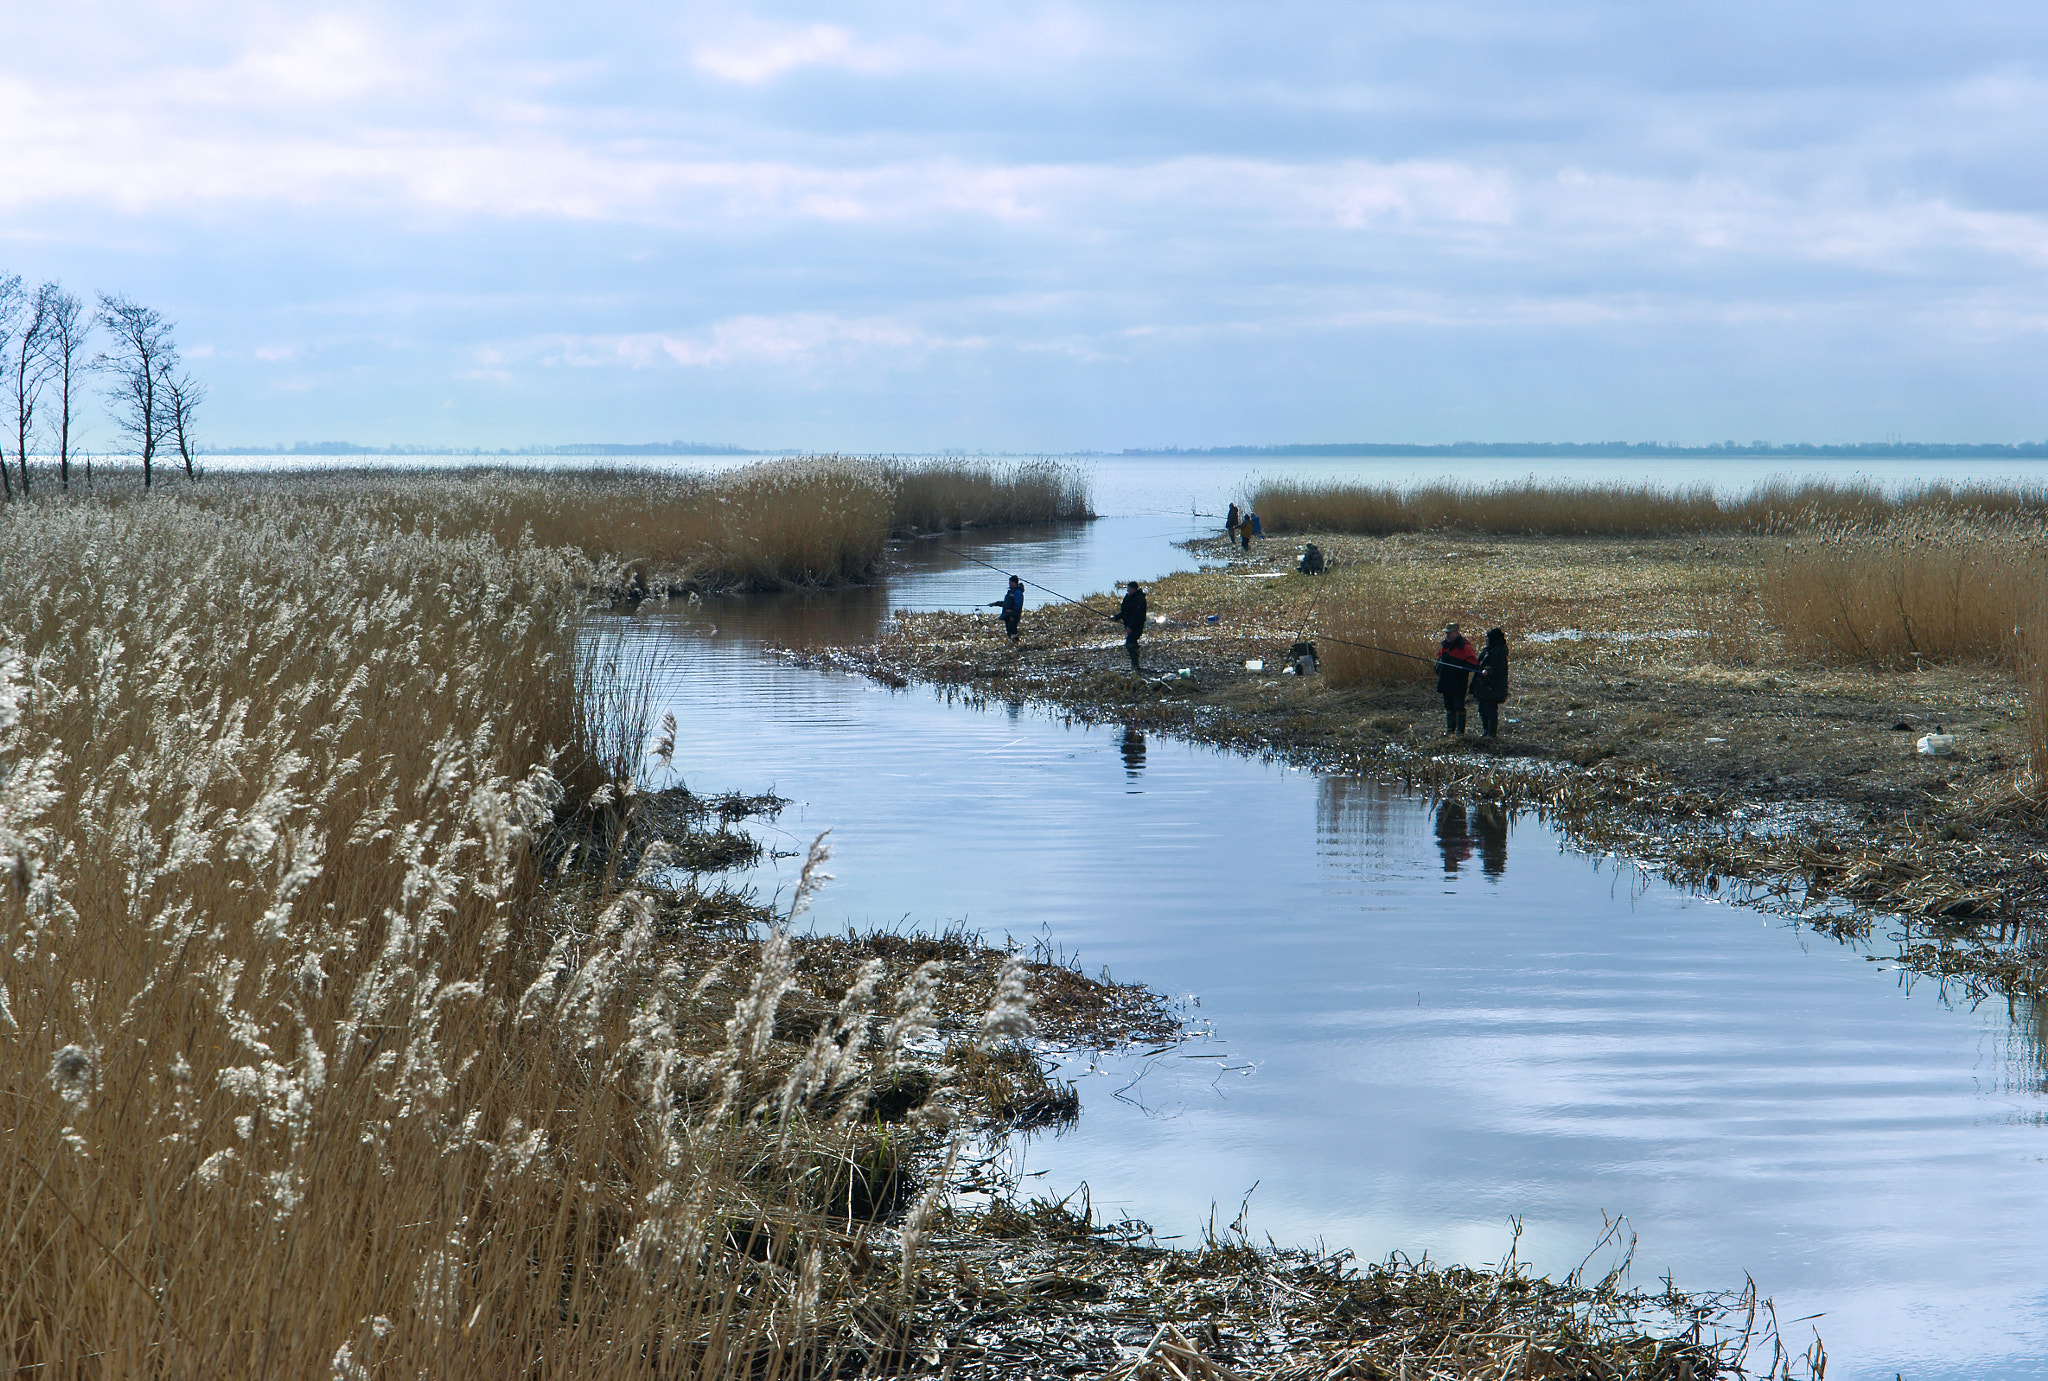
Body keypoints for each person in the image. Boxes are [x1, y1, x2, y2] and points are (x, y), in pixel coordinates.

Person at [1435, 622, 1478, 734]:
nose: (1447, 635)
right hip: (1445, 681)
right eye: (1446, 633)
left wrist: (1460, 669)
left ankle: (1460, 731)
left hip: (1458, 682)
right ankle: (1450, 730)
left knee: (1459, 706)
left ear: (1456, 633)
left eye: (1449, 633)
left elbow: (1473, 662)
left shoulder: (1464, 646)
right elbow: (1439, 659)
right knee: (1448, 706)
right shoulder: (1445, 646)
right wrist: (1438, 668)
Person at [1471, 627, 1508, 737]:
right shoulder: (1486, 651)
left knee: (1491, 710)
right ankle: (1485, 731)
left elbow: (1499, 669)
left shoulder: (1499, 653)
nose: (1486, 641)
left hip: (1493, 688)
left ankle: (1492, 733)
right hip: (1483, 686)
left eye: (1488, 639)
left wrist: (1488, 671)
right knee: (1482, 709)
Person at [1115, 581, 1148, 671]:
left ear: (1133, 589)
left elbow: (1138, 615)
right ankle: (1135, 664)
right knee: (1131, 642)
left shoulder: (1139, 599)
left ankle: (1135, 664)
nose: (1127, 591)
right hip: (1129, 625)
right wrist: (1116, 617)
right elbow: (1125, 611)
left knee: (1130, 643)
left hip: (1136, 626)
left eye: (1129, 589)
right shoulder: (1129, 597)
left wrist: (1131, 627)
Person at [988, 575, 1024, 642]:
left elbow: (1018, 606)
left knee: (1013, 631)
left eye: (1010, 582)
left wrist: (1013, 615)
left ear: (1014, 583)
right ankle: (1013, 643)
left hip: (1013, 615)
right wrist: (995, 604)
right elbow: (1006, 603)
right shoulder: (1011, 591)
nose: (1009, 584)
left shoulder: (1018, 593)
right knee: (1009, 632)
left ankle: (1016, 643)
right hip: (1007, 615)